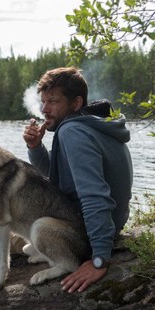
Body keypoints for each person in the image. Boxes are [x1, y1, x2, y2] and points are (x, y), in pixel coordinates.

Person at [24, 67, 133, 293]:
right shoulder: (91, 125)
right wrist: (35, 148)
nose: (44, 109)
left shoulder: (72, 132)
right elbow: (58, 175)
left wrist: (100, 259)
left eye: (53, 101)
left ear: (76, 103)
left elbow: (94, 195)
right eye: (43, 102)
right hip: (107, 225)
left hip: (86, 235)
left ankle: (58, 256)